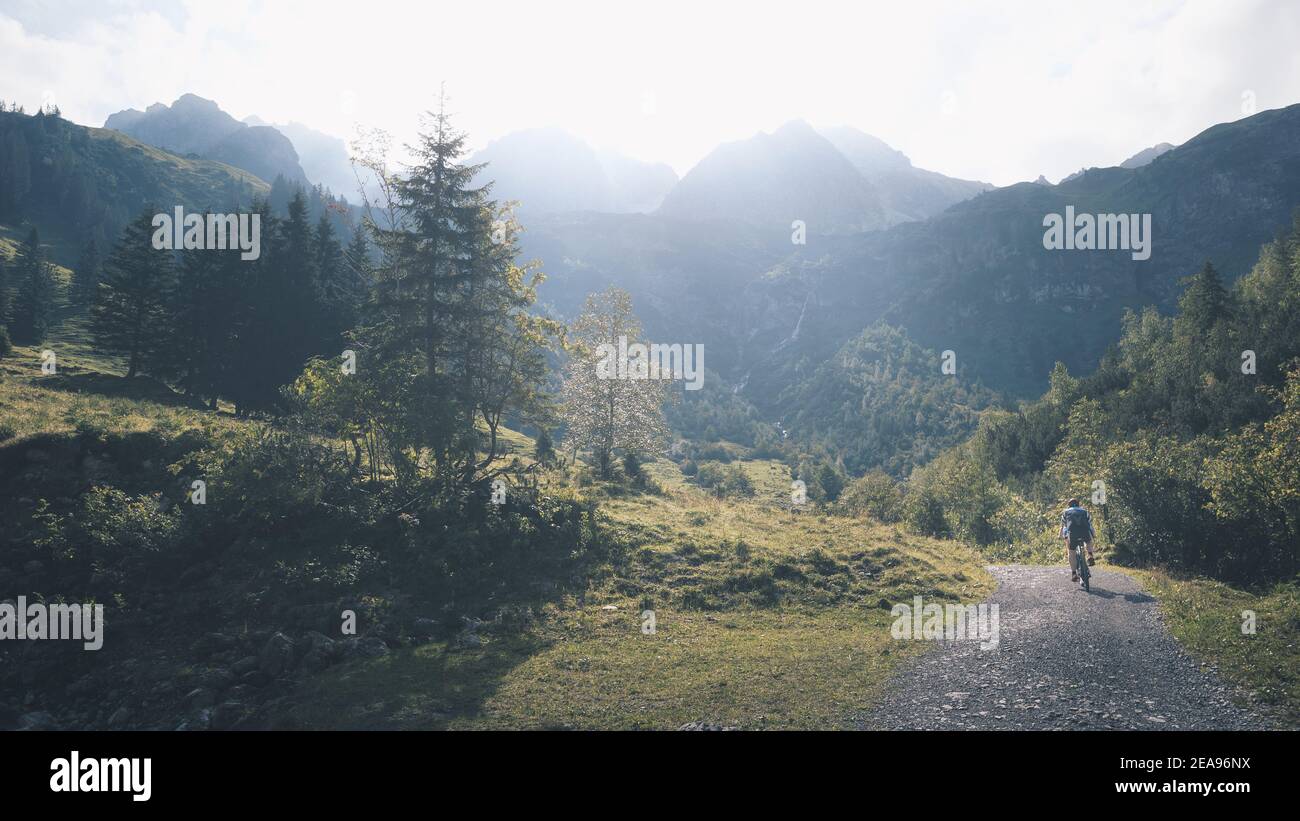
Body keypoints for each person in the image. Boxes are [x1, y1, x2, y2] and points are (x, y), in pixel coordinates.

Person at [1061, 498, 1096, 582]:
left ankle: (1073, 573)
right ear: (1078, 504)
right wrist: (1093, 534)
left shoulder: (1066, 512)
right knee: (1089, 541)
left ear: (1069, 505)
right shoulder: (1084, 511)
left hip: (1073, 533)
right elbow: (1089, 524)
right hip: (1084, 531)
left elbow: (1064, 525)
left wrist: (1062, 535)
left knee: (1071, 551)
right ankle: (1090, 555)